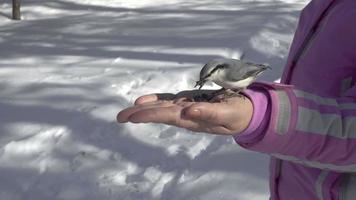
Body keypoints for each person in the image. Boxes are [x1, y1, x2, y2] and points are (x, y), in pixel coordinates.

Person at [117, 0, 356, 199]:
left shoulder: (232, 74)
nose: (208, 80)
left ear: (218, 71)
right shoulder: (324, 4)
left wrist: (261, 114)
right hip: (293, 184)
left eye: (210, 76)